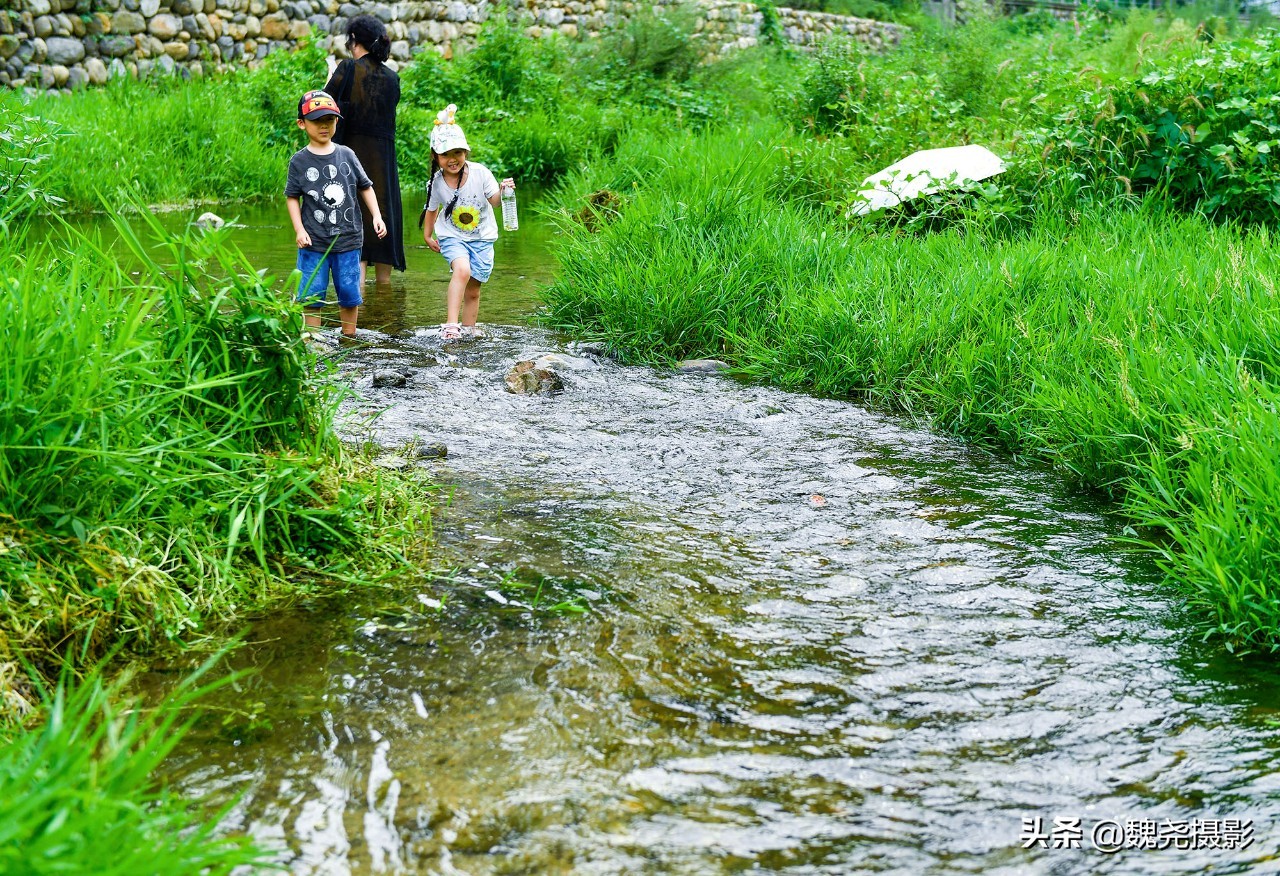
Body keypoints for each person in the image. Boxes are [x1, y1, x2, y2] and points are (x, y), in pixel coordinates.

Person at [285, 89, 387, 338]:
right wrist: (299, 229)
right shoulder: (299, 161)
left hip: (349, 239)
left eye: (329, 120)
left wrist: (376, 215)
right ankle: (312, 340)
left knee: (349, 293)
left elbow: (366, 186)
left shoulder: (347, 155)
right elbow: (292, 197)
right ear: (302, 124)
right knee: (312, 293)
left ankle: (349, 338)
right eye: (317, 121)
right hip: (314, 242)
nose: (324, 126)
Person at [421, 104, 513, 341]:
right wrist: (428, 235)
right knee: (462, 270)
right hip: (452, 235)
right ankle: (451, 325)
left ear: (465, 153)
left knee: (473, 290)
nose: (452, 160)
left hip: (482, 237)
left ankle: (469, 329)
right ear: (436, 156)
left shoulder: (481, 173)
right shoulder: (436, 183)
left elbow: (494, 202)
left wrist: (504, 192)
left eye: (457, 153)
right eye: (445, 155)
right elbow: (432, 210)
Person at [325, 14, 405, 287]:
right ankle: (386, 303)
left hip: (351, 159)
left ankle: (355, 319)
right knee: (383, 224)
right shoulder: (393, 78)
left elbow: (324, 110)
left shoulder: (347, 68)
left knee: (355, 229)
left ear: (354, 41)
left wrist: (329, 77)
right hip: (383, 163)